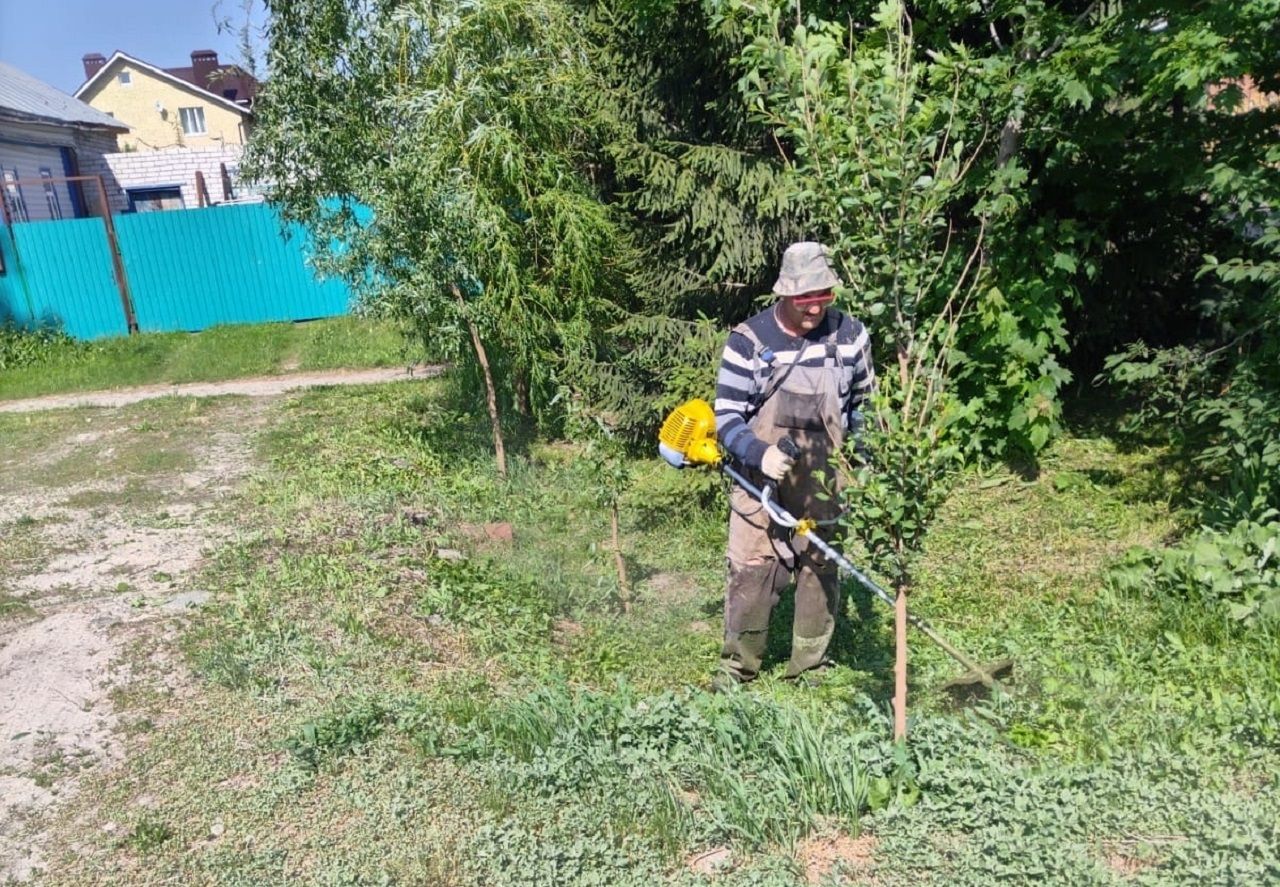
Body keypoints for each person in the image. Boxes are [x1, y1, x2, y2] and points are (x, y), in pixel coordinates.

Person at [713, 241, 876, 685]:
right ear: (785, 293)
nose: (814, 306)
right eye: (805, 297)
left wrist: (862, 461)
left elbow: (864, 407)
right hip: (758, 477)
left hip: (826, 478)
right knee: (752, 569)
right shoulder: (749, 340)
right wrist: (758, 453)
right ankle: (738, 667)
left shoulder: (850, 337)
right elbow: (725, 415)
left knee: (819, 566)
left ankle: (810, 666)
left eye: (823, 295)